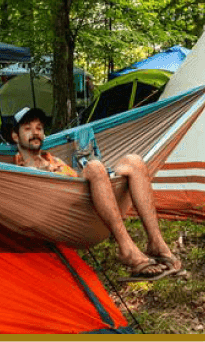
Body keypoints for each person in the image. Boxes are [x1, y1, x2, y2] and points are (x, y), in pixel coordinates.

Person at [11, 107, 183, 281]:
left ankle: (156, 242)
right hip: (66, 215)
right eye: (27, 128)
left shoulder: (54, 160)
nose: (35, 133)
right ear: (15, 137)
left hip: (91, 204)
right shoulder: (16, 171)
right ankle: (126, 249)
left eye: (39, 128)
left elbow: (75, 179)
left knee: (135, 162)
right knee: (94, 167)